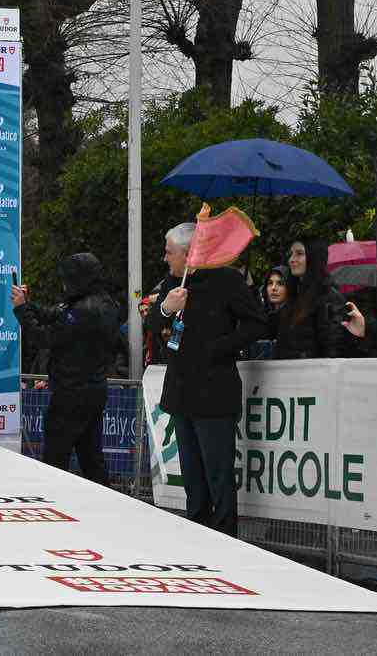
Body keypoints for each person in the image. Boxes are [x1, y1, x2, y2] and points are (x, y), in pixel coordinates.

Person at [146, 223, 267, 537]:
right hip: (181, 390)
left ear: (188, 254)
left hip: (214, 391)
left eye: (169, 252)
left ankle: (226, 536)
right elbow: (152, 321)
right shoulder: (172, 282)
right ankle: (196, 533)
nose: (164, 258)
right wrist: (166, 307)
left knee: (218, 474)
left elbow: (256, 323)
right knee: (192, 476)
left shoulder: (227, 280)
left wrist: (221, 347)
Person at [11, 253, 119, 482]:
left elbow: (43, 337)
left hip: (71, 393)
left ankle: (54, 502)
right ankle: (106, 502)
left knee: (55, 456)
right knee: (91, 457)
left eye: (68, 278)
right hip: (93, 390)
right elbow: (55, 314)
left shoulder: (84, 310)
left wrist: (21, 310)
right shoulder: (103, 302)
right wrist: (28, 304)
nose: (64, 284)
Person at [274, 238, 349, 359]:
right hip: (291, 373)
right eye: (291, 254)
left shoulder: (328, 296)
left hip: (315, 373)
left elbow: (333, 346)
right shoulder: (294, 295)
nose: (292, 260)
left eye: (299, 254)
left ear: (314, 258)